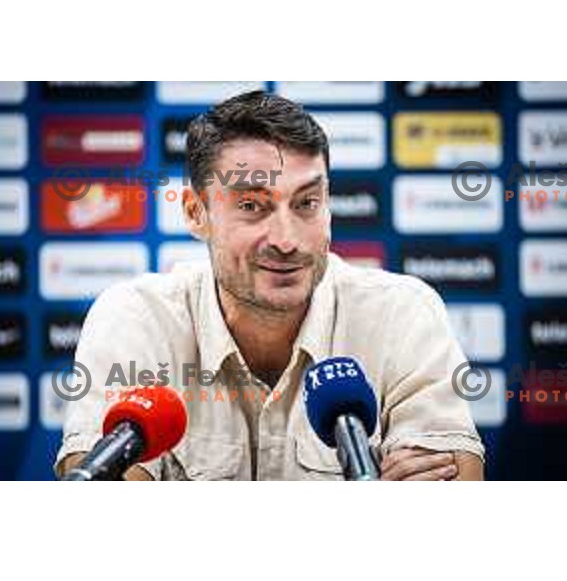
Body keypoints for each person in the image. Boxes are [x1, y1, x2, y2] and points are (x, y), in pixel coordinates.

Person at [56, 91, 484, 480]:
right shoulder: (135, 317)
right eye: (252, 206)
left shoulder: (402, 313)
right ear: (194, 212)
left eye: (306, 204)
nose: (287, 239)